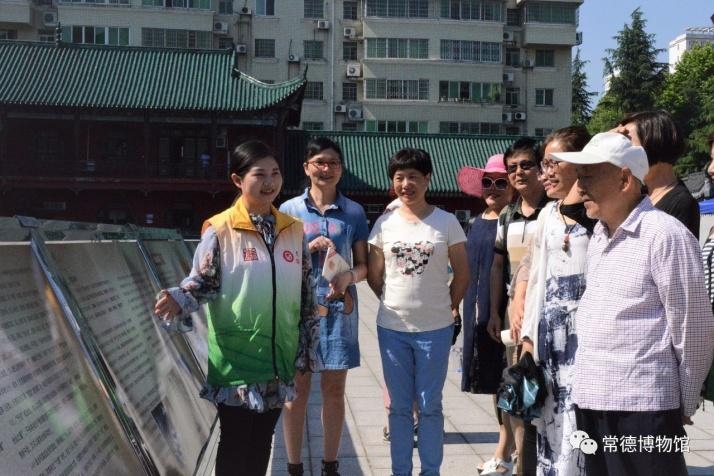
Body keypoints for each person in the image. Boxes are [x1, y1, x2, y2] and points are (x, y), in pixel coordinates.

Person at [554, 131, 714, 476]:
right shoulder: (599, 236)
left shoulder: (665, 235)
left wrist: (685, 400)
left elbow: (694, 328)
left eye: (588, 176)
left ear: (624, 180)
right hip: (593, 399)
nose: (579, 187)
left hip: (644, 404)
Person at [153, 140, 315, 476]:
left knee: (261, 442)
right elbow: (204, 281)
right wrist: (178, 297)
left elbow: (305, 294)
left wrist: (306, 351)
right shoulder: (220, 229)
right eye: (259, 174)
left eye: (275, 173)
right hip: (237, 361)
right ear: (238, 180)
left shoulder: (293, 230)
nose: (270, 182)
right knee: (236, 443)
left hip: (279, 359)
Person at [367, 148, 469, 476]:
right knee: (398, 408)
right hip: (392, 329)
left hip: (435, 329)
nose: (406, 184)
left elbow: (462, 273)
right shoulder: (384, 224)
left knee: (429, 405)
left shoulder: (446, 222)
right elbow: (375, 275)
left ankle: (430, 471)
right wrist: (393, 301)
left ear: (427, 179)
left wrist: (448, 306)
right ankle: (400, 471)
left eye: (413, 176)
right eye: (399, 177)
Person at [279, 137, 368, 476]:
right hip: (297, 308)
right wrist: (306, 248)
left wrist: (349, 277)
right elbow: (278, 259)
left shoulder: (354, 212)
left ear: (341, 169)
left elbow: (363, 265)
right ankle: (294, 466)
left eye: (333, 163)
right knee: (297, 390)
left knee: (334, 390)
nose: (326, 169)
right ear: (306, 168)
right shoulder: (289, 210)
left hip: (338, 308)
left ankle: (331, 465)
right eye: (319, 162)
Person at [515, 126, 592, 476]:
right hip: (550, 341)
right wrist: (528, 337)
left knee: (580, 424)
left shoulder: (597, 214)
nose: (544, 173)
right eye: (543, 164)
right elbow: (535, 278)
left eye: (553, 163)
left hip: (586, 341)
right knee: (552, 425)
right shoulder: (547, 215)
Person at [487, 137, 548, 476]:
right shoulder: (507, 214)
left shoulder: (554, 210)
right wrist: (495, 312)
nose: (519, 172)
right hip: (515, 309)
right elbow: (498, 266)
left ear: (541, 168)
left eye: (526, 165)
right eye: (512, 168)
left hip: (548, 307)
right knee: (518, 386)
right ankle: (521, 462)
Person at [456, 154, 515, 475]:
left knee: (508, 379)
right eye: (487, 182)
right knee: (494, 381)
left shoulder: (515, 221)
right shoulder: (475, 221)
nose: (493, 188)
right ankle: (508, 446)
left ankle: (505, 450)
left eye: (501, 182)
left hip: (505, 309)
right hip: (476, 308)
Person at [614, 110, 700, 237]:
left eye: (628, 144)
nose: (622, 152)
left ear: (654, 142)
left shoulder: (681, 203)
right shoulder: (637, 193)